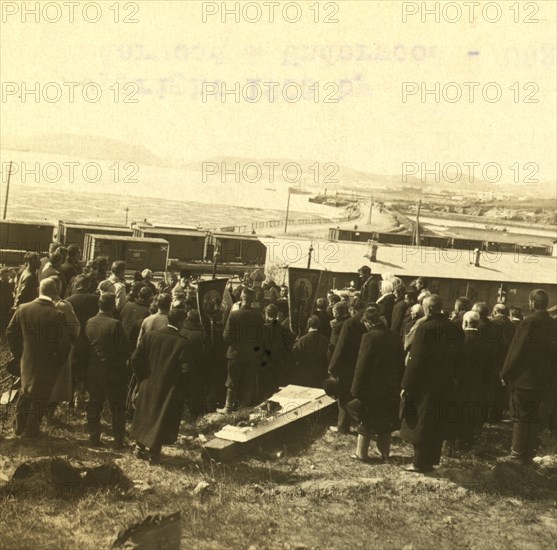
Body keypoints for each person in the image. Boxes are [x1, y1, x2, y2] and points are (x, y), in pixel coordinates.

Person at [6, 278, 71, 438]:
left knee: (25, 390)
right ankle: (32, 430)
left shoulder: (23, 308)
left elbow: (10, 332)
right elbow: (64, 345)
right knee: (42, 395)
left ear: (38, 290)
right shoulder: (58, 315)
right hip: (48, 362)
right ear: (55, 292)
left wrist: (19, 353)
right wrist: (58, 362)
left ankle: (19, 427)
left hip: (26, 359)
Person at [400, 295, 457, 473]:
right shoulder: (453, 328)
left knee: (421, 422)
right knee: (436, 422)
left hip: (424, 384)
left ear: (428, 309)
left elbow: (415, 360)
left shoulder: (425, 328)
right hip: (445, 382)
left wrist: (406, 385)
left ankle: (418, 463)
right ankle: (431, 461)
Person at [131, 308, 195, 464]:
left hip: (148, 382)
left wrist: (143, 377)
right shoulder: (182, 343)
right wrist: (182, 388)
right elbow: (186, 371)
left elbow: (135, 359)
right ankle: (154, 453)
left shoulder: (150, 336)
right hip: (169, 388)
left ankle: (139, 447)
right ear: (180, 322)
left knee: (146, 414)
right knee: (161, 419)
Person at [501, 289, 557, 464]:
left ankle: (516, 454)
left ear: (532, 303)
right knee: (533, 416)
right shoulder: (552, 323)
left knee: (519, 416)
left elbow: (517, 351)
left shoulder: (529, 322)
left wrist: (505, 372)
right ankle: (528, 453)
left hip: (524, 379)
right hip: (542, 379)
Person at [347, 305, 404, 462]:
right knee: (385, 420)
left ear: (369, 322)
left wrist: (355, 388)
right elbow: (400, 362)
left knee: (366, 418)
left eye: (365, 323)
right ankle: (384, 453)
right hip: (390, 387)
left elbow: (361, 365)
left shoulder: (369, 337)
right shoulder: (394, 335)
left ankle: (361, 453)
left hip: (371, 388)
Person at [85, 293, 128, 447]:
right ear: (113, 306)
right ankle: (118, 439)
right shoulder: (115, 324)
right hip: (113, 372)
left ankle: (94, 436)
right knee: (117, 406)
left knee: (94, 404)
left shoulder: (90, 322)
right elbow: (123, 348)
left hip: (94, 370)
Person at [219, 287, 264, 412]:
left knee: (232, 381)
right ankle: (244, 408)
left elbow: (226, 336)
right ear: (252, 299)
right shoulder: (258, 316)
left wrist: (236, 344)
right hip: (251, 354)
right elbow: (261, 337)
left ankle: (228, 407)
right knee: (248, 380)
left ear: (241, 298)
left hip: (235, 353)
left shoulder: (234, 315)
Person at [452, 311, 491, 452]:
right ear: (478, 323)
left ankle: (454, 444)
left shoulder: (458, 340)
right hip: (477, 384)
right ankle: (467, 443)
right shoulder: (486, 342)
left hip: (459, 382)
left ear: (465, 323)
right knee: (471, 413)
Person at [328, 298, 367, 434]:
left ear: (352, 309)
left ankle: (343, 427)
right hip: (361, 364)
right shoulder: (367, 322)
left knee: (344, 395)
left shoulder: (349, 323)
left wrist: (332, 367)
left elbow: (341, 346)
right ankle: (359, 423)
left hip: (346, 366)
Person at [66, 274, 101, 398]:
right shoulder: (96, 299)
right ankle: (83, 394)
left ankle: (70, 395)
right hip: (90, 338)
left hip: (74, 339)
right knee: (87, 366)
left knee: (73, 367)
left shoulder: (68, 300)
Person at [180, 309, 209, 415]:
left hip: (181, 367)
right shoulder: (201, 334)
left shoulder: (180, 331)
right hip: (197, 368)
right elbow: (205, 353)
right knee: (195, 394)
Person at [261, 303, 292, 399]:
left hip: (266, 360)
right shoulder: (283, 328)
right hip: (280, 361)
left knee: (267, 385)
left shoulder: (263, 328)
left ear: (266, 314)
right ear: (276, 314)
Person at [290, 316, 329, 388]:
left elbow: (294, 356)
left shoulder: (302, 340)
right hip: (320, 373)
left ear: (308, 325)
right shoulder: (324, 339)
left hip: (305, 373)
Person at [0, 267, 15, 335]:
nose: (7, 277)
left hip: (8, 308)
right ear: (1, 275)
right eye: (5, 276)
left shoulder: (9, 284)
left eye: (8, 276)